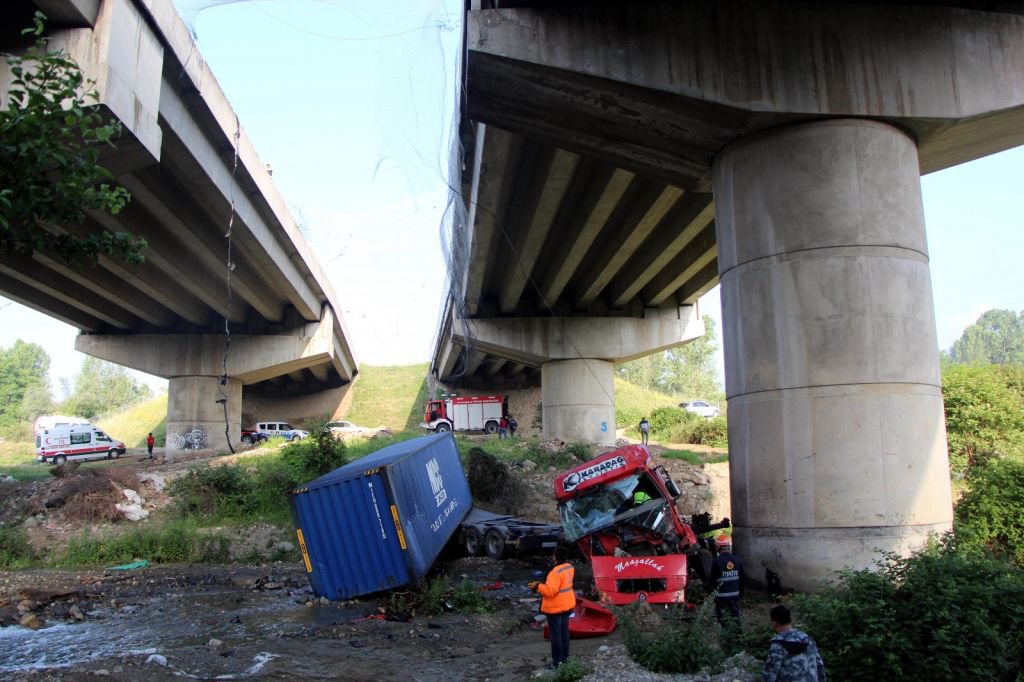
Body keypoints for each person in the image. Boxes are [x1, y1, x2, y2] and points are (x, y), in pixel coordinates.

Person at [528, 545, 576, 669]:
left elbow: (550, 591)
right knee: (564, 633)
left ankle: (557, 662)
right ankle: (565, 660)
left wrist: (538, 586)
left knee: (556, 636)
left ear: (555, 557)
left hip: (556, 608)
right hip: (567, 605)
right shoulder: (569, 567)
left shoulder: (554, 573)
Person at [762, 604, 827, 682]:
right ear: (790, 620)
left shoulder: (777, 644)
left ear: (774, 623)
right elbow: (820, 667)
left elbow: (770, 674)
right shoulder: (808, 639)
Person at [709, 535, 743, 627]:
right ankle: (738, 638)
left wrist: (711, 595)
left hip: (721, 597)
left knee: (724, 620)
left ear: (719, 547)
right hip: (735, 596)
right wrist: (741, 595)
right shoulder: (737, 560)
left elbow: (712, 581)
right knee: (736, 618)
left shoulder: (716, 561)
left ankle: (726, 638)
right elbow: (742, 580)